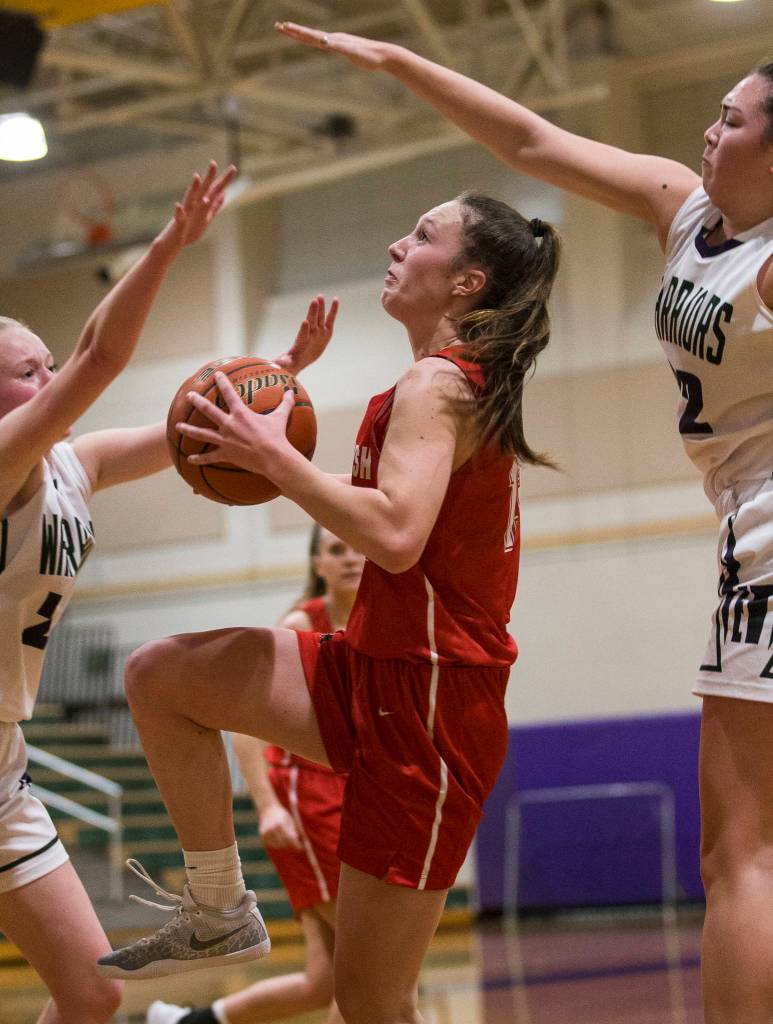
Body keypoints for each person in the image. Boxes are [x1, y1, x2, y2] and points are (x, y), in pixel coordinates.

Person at [273, 23, 773, 1024]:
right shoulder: (684, 211)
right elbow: (531, 144)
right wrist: (398, 63)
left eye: (732, 119)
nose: (709, 131)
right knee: (742, 849)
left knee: (744, 851)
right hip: (739, 530)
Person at [95, 189, 561, 1024]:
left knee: (369, 1002)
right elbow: (393, 522)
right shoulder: (429, 385)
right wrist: (280, 397)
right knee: (161, 675)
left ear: (466, 282)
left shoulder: (439, 384)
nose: (396, 240)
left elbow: (392, 535)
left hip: (430, 703)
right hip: (369, 668)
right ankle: (218, 908)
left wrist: (273, 459)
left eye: (422, 235)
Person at [0, 158, 338, 1024]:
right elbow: (101, 355)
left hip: (4, 765)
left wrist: (276, 378)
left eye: (46, 364)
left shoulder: (74, 466)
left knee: (91, 992)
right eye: (27, 373)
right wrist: (169, 243)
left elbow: (193, 428)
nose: (49, 382)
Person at [147, 524, 369, 1024]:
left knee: (325, 980)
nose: (351, 556)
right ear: (319, 565)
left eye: (358, 545)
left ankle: (186, 1022)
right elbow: (248, 727)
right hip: (305, 794)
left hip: (354, 788)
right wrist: (267, 804)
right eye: (336, 549)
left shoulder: (379, 624)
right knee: (375, 962)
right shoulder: (301, 622)